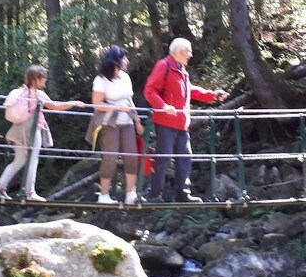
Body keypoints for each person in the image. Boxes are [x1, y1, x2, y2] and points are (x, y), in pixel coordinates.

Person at [143, 38, 228, 203]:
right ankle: (154, 195)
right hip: (166, 121)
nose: (190, 55)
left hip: (182, 123)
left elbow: (189, 90)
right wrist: (164, 106)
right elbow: (150, 90)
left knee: (185, 156)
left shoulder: (181, 69)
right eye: (188, 51)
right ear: (180, 52)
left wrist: (212, 95)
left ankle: (182, 193)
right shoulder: (164, 65)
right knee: (164, 156)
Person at [0, 65, 84, 202]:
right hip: (33, 129)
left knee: (19, 160)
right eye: (43, 78)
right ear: (36, 79)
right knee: (33, 160)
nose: (45, 81)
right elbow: (56, 107)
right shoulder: (39, 95)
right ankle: (30, 192)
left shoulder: (20, 92)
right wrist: (74, 103)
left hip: (17, 129)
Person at [89, 46, 144, 204]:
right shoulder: (101, 79)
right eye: (124, 58)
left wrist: (137, 120)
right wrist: (116, 107)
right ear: (116, 60)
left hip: (126, 122)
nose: (127, 61)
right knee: (110, 158)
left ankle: (130, 193)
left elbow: (129, 100)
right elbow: (97, 104)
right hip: (109, 123)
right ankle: (104, 195)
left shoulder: (126, 78)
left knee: (132, 156)